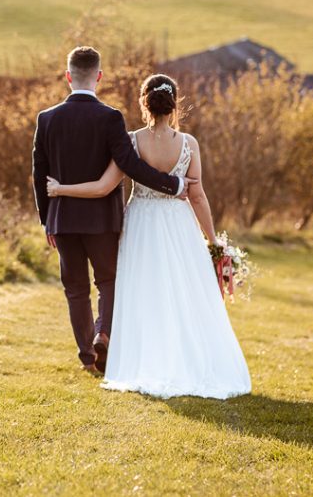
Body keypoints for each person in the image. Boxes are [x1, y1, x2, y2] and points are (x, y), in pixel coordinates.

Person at [46, 73, 251, 399]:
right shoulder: (189, 144)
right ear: (174, 105)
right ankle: (186, 361)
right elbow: (198, 197)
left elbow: (103, 186)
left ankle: (141, 359)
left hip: (141, 224)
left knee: (141, 292)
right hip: (178, 225)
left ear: (144, 103)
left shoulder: (131, 141)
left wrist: (60, 189)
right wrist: (213, 242)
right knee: (181, 292)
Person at [32, 47, 195, 376]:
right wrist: (173, 185)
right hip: (102, 220)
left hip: (62, 219)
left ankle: (87, 357)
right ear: (99, 77)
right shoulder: (110, 117)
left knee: (75, 289)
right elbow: (130, 165)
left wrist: (47, 219)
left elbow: (39, 173)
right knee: (108, 281)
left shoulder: (47, 119)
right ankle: (103, 333)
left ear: (68, 76)